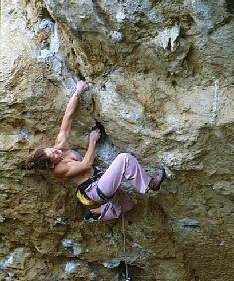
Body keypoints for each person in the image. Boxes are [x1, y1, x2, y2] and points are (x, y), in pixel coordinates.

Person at [25, 81, 165, 221]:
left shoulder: (59, 147)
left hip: (100, 181)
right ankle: (150, 184)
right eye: (53, 155)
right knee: (124, 159)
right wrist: (92, 141)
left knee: (127, 204)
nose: (56, 151)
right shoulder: (58, 170)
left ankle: (97, 213)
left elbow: (68, 116)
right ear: (50, 165)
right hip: (96, 189)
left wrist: (77, 92)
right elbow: (86, 164)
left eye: (51, 149)